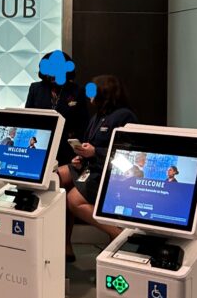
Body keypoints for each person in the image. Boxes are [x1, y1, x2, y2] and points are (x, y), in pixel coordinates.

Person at [57, 74, 137, 261]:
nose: (89, 95)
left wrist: (95, 153)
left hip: (109, 173)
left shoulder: (125, 116)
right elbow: (90, 145)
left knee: (73, 200)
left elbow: (129, 154)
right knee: (55, 178)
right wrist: (81, 157)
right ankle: (63, 244)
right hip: (90, 167)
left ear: (105, 92)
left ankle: (119, 235)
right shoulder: (98, 116)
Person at [25, 51, 88, 164]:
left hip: (66, 148)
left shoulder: (77, 91)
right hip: (41, 144)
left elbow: (83, 124)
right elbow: (28, 119)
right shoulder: (35, 88)